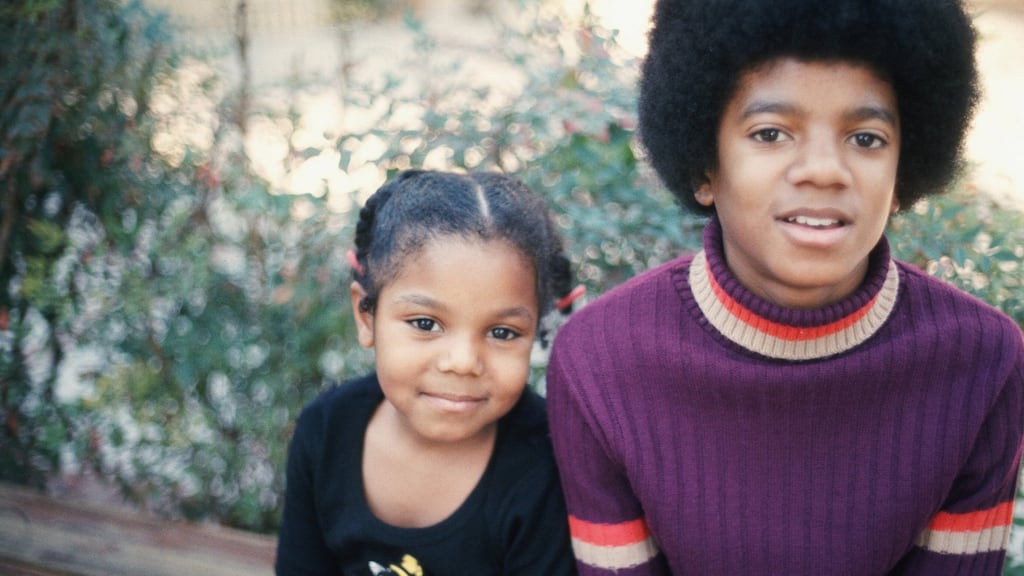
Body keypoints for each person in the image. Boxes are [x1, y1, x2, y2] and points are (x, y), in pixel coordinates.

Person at [545, 0, 1024, 574]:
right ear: (705, 165)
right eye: (770, 133)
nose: (823, 169)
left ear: (905, 173)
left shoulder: (982, 362)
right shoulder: (600, 363)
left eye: (866, 138)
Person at [276, 169, 581, 575]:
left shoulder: (548, 464)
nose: (462, 362)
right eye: (425, 324)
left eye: (502, 332)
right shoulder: (325, 431)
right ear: (367, 317)